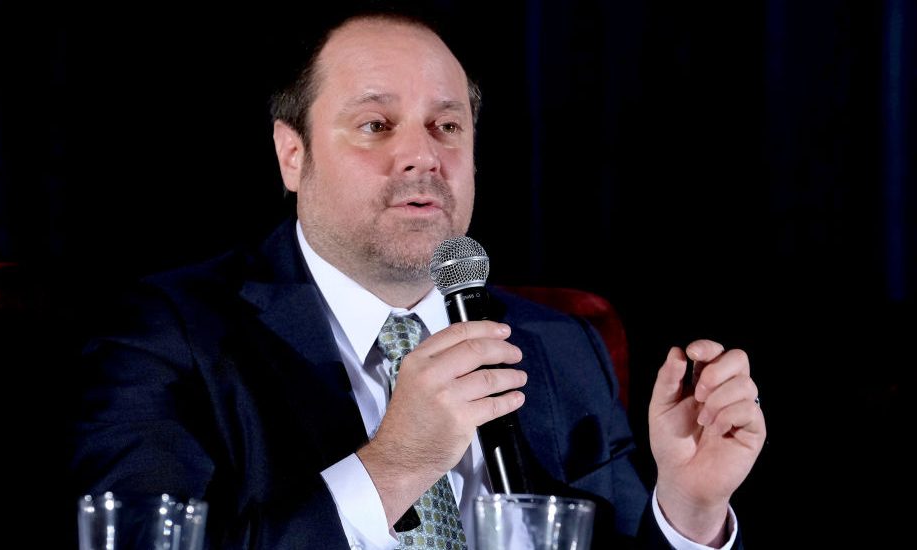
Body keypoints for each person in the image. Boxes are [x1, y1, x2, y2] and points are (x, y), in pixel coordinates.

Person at [73, 12, 766, 549]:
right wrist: (397, 461)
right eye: (375, 125)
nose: (422, 155)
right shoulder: (170, 334)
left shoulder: (557, 345)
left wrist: (689, 510)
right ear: (293, 156)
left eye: (447, 126)